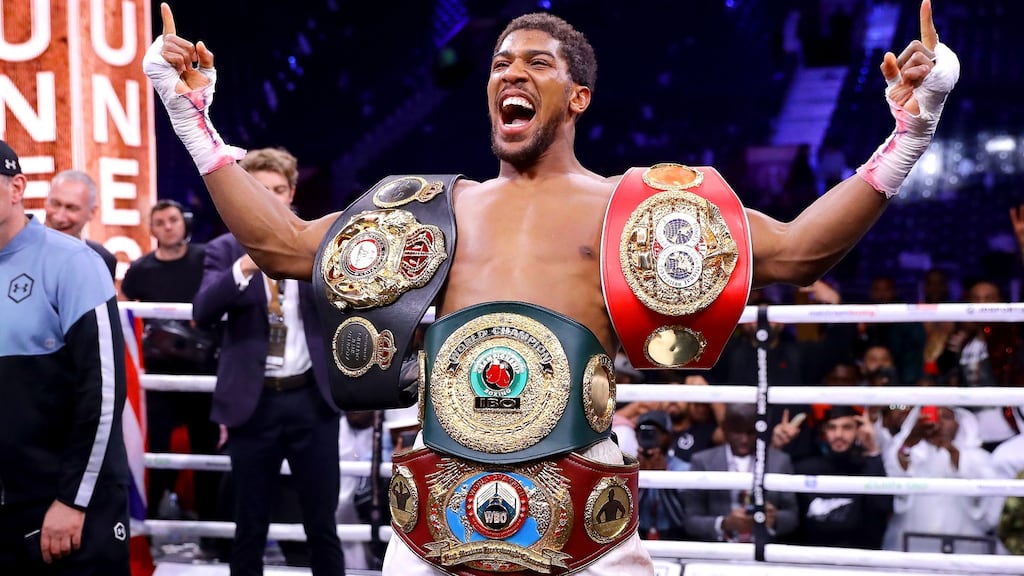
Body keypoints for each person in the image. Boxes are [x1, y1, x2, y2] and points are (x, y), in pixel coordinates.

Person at [145, 2, 958, 573]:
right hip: (435, 505)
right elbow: (282, 245)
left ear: (577, 98)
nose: (511, 72)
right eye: (500, 62)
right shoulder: (431, 209)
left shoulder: (636, 206)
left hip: (583, 507)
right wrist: (189, 116)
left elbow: (796, 255)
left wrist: (911, 129)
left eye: (536, 61)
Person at [191, 147, 345, 576]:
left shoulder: (320, 241)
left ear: (292, 191)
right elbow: (202, 309)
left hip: (311, 402)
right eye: (258, 191)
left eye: (278, 190)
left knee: (321, 524)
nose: (270, 199)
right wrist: (247, 263)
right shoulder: (224, 249)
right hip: (252, 406)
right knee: (250, 526)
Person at [0, 140, 130, 573]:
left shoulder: (73, 262)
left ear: (17, 187)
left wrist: (73, 498)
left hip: (64, 501)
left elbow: (104, 391)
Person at [120, 199, 222, 537]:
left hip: (204, 373)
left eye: (173, 220)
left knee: (208, 456)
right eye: (160, 221)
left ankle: (212, 535)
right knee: (155, 454)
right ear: (151, 229)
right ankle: (145, 531)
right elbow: (129, 315)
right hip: (159, 379)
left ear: (184, 222)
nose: (168, 226)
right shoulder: (140, 271)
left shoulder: (206, 258)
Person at [883, 406, 1000, 552]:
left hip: (965, 542)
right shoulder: (906, 450)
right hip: (912, 539)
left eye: (946, 417)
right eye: (932, 416)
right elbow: (895, 476)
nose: (939, 423)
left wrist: (953, 453)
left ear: (959, 423)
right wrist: (910, 442)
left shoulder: (977, 456)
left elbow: (990, 499)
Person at [682, 404, 799, 543]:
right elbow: (690, 520)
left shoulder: (780, 461)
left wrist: (774, 519)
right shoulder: (702, 462)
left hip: (764, 552)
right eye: (737, 432)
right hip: (718, 554)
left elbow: (793, 516)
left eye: (750, 432)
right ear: (724, 429)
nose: (744, 439)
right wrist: (724, 523)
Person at [791, 406, 892, 549]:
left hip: (858, 561)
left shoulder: (869, 466)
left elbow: (884, 507)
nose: (838, 434)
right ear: (824, 431)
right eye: (832, 428)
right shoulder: (806, 468)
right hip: (813, 561)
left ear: (858, 430)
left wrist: (872, 449)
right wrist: (776, 448)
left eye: (847, 427)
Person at [44, 169, 117, 277]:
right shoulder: (18, 250)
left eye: (71, 208)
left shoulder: (103, 259)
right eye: (55, 204)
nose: (60, 217)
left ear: (92, 212)